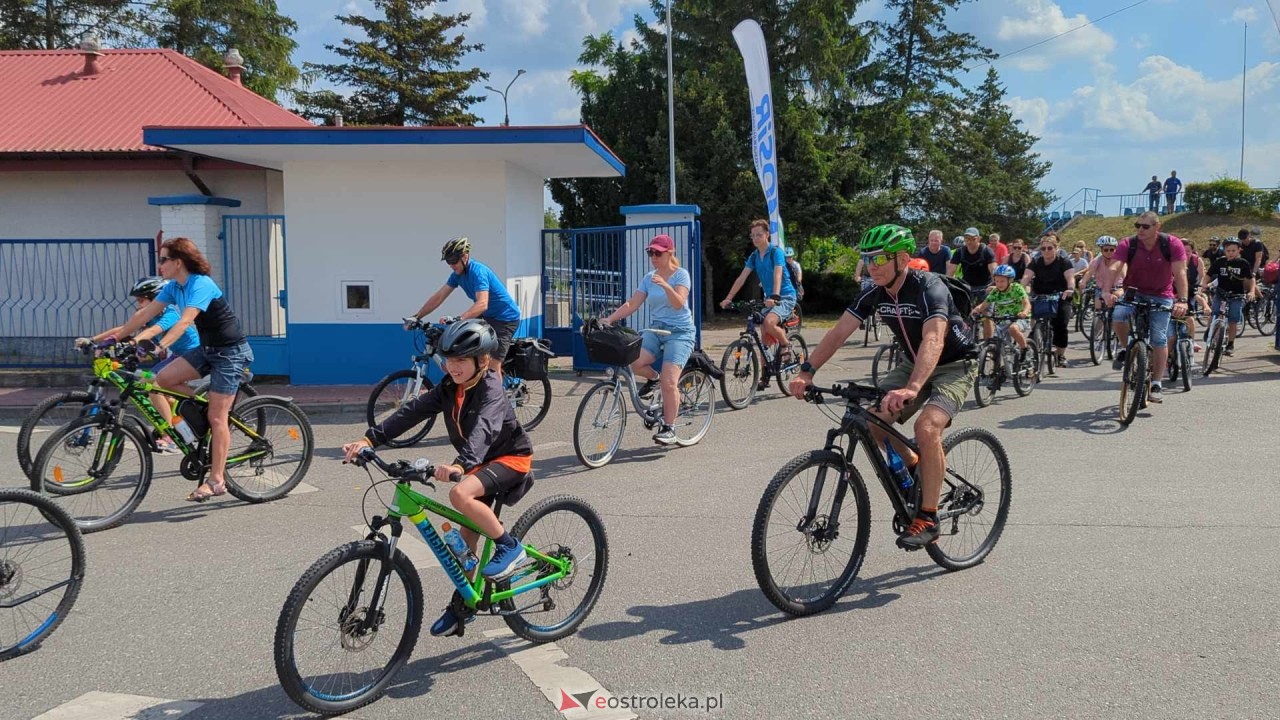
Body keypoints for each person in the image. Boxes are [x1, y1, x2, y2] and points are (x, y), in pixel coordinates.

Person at [342, 319, 534, 637]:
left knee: (459, 495)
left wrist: (460, 464)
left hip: (508, 459)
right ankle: (464, 605)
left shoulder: (491, 390)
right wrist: (370, 439)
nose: (452, 366)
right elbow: (413, 411)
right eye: (448, 359)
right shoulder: (449, 388)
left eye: (461, 360)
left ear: (482, 360)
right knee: (465, 546)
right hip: (478, 464)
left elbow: (485, 429)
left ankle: (509, 546)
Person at [789, 224, 976, 549]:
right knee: (871, 421)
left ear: (902, 258)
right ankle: (915, 465)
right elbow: (839, 332)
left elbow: (934, 338)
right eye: (867, 259)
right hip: (912, 362)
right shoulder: (873, 291)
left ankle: (928, 518)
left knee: (926, 427)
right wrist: (807, 372)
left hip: (954, 365)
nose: (871, 266)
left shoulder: (929, 287)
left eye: (879, 258)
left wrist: (913, 388)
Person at [88, 237, 253, 502]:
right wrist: (114, 339)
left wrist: (159, 347)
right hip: (208, 349)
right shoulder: (175, 287)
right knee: (162, 380)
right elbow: (143, 316)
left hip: (230, 353)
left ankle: (216, 480)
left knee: (217, 417)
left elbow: (185, 321)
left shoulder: (201, 284)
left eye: (164, 259)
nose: (160, 264)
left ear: (179, 262)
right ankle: (203, 410)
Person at [84, 277, 201, 454]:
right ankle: (182, 418)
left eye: (141, 300)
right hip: (177, 355)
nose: (138, 304)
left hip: (193, 355)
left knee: (155, 388)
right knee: (151, 386)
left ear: (155, 299)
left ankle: (170, 436)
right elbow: (124, 328)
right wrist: (92, 340)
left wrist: (133, 343)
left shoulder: (171, 313)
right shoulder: (152, 315)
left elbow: (153, 331)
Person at [604, 234, 695, 445]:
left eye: (657, 253)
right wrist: (610, 319)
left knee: (669, 382)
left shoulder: (681, 275)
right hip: (656, 329)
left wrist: (665, 285)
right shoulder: (649, 277)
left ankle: (670, 428)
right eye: (650, 252)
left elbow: (678, 303)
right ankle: (653, 379)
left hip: (680, 333)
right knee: (633, 362)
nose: (653, 257)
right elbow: (632, 303)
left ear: (670, 253)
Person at [1112, 211, 1190, 405]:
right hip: (1134, 291)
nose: (1140, 229)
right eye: (1137, 225)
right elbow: (1114, 267)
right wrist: (1107, 291)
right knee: (1119, 315)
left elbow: (1180, 273)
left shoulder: (1171, 244)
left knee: (1159, 337)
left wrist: (1182, 300)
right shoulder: (1128, 243)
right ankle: (1126, 349)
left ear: (1157, 227)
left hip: (1162, 294)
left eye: (1145, 226)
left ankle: (1156, 383)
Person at [413, 236, 522, 374]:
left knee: (492, 367)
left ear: (465, 256)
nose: (451, 265)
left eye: (453, 260)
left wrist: (460, 319)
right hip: (487, 316)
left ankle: (495, 387)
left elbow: (482, 304)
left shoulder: (478, 272)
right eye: (448, 261)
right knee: (467, 350)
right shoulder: (457, 275)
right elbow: (439, 297)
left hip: (505, 319)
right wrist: (417, 316)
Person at [722, 219, 799, 363]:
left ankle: (785, 344)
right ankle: (765, 372)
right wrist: (729, 298)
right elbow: (742, 277)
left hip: (785, 296)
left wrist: (775, 296)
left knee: (769, 323)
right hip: (769, 299)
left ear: (767, 234)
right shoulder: (754, 256)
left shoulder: (776, 252)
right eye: (753, 236)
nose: (755, 238)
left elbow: (777, 274)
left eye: (759, 235)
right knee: (764, 338)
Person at [1022, 233, 1076, 366]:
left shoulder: (1064, 262)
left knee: (1061, 325)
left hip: (1061, 296)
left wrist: (1070, 289)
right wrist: (1020, 289)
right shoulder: (1035, 262)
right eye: (1043, 248)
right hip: (1040, 295)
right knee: (1035, 323)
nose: (1046, 251)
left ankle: (1060, 354)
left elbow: (1070, 278)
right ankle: (1033, 348)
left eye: (1050, 248)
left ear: (1056, 249)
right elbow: (1026, 277)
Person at [970, 264, 1031, 360]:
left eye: (1002, 281)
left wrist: (1024, 312)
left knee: (1013, 329)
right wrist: (974, 311)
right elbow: (984, 305)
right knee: (996, 341)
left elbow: (1027, 304)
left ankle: (1024, 349)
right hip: (1003, 320)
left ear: (1010, 280)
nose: (999, 284)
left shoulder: (1017, 288)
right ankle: (1002, 364)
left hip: (1019, 318)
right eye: (997, 281)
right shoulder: (995, 292)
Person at [1207, 236, 1254, 356]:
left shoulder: (1243, 263)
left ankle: (1230, 344)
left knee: (1233, 320)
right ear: (1224, 251)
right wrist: (1203, 285)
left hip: (1236, 295)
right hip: (1221, 293)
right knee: (1215, 313)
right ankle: (1210, 331)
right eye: (1228, 251)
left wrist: (1252, 291)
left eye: (1233, 250)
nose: (1231, 253)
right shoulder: (1220, 262)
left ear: (1239, 250)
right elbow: (1208, 275)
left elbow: (1250, 279)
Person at [947, 228, 997, 337]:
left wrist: (994, 286)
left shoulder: (986, 251)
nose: (969, 242)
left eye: (972, 239)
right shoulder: (960, 252)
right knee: (964, 314)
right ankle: (967, 339)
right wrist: (948, 286)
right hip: (967, 287)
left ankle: (988, 343)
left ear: (978, 239)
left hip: (985, 286)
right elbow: (950, 271)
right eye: (967, 239)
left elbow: (994, 271)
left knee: (987, 316)